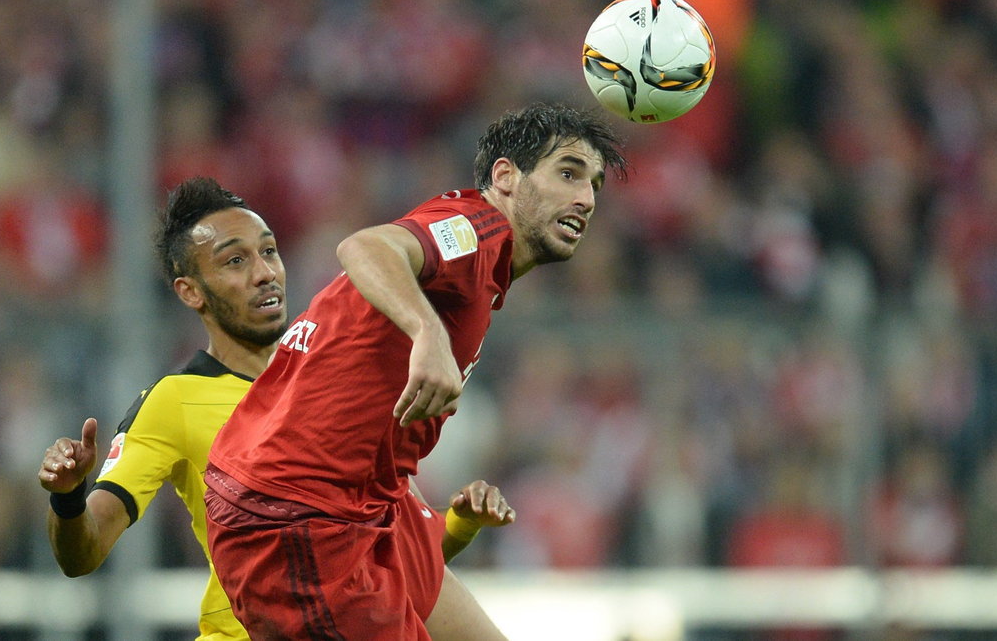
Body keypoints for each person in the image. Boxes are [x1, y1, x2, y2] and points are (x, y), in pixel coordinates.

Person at [203, 102, 628, 639]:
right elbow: (366, 246)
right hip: (295, 514)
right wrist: (427, 334)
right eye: (567, 173)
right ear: (505, 177)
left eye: (593, 184)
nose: (585, 199)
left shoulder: (484, 273)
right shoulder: (474, 229)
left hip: (371, 502)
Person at [37, 177, 515, 641]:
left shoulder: (331, 375)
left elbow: (381, 562)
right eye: (235, 261)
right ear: (191, 291)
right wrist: (68, 495)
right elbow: (84, 554)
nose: (264, 272)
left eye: (268, 251)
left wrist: (459, 523)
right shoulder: (174, 400)